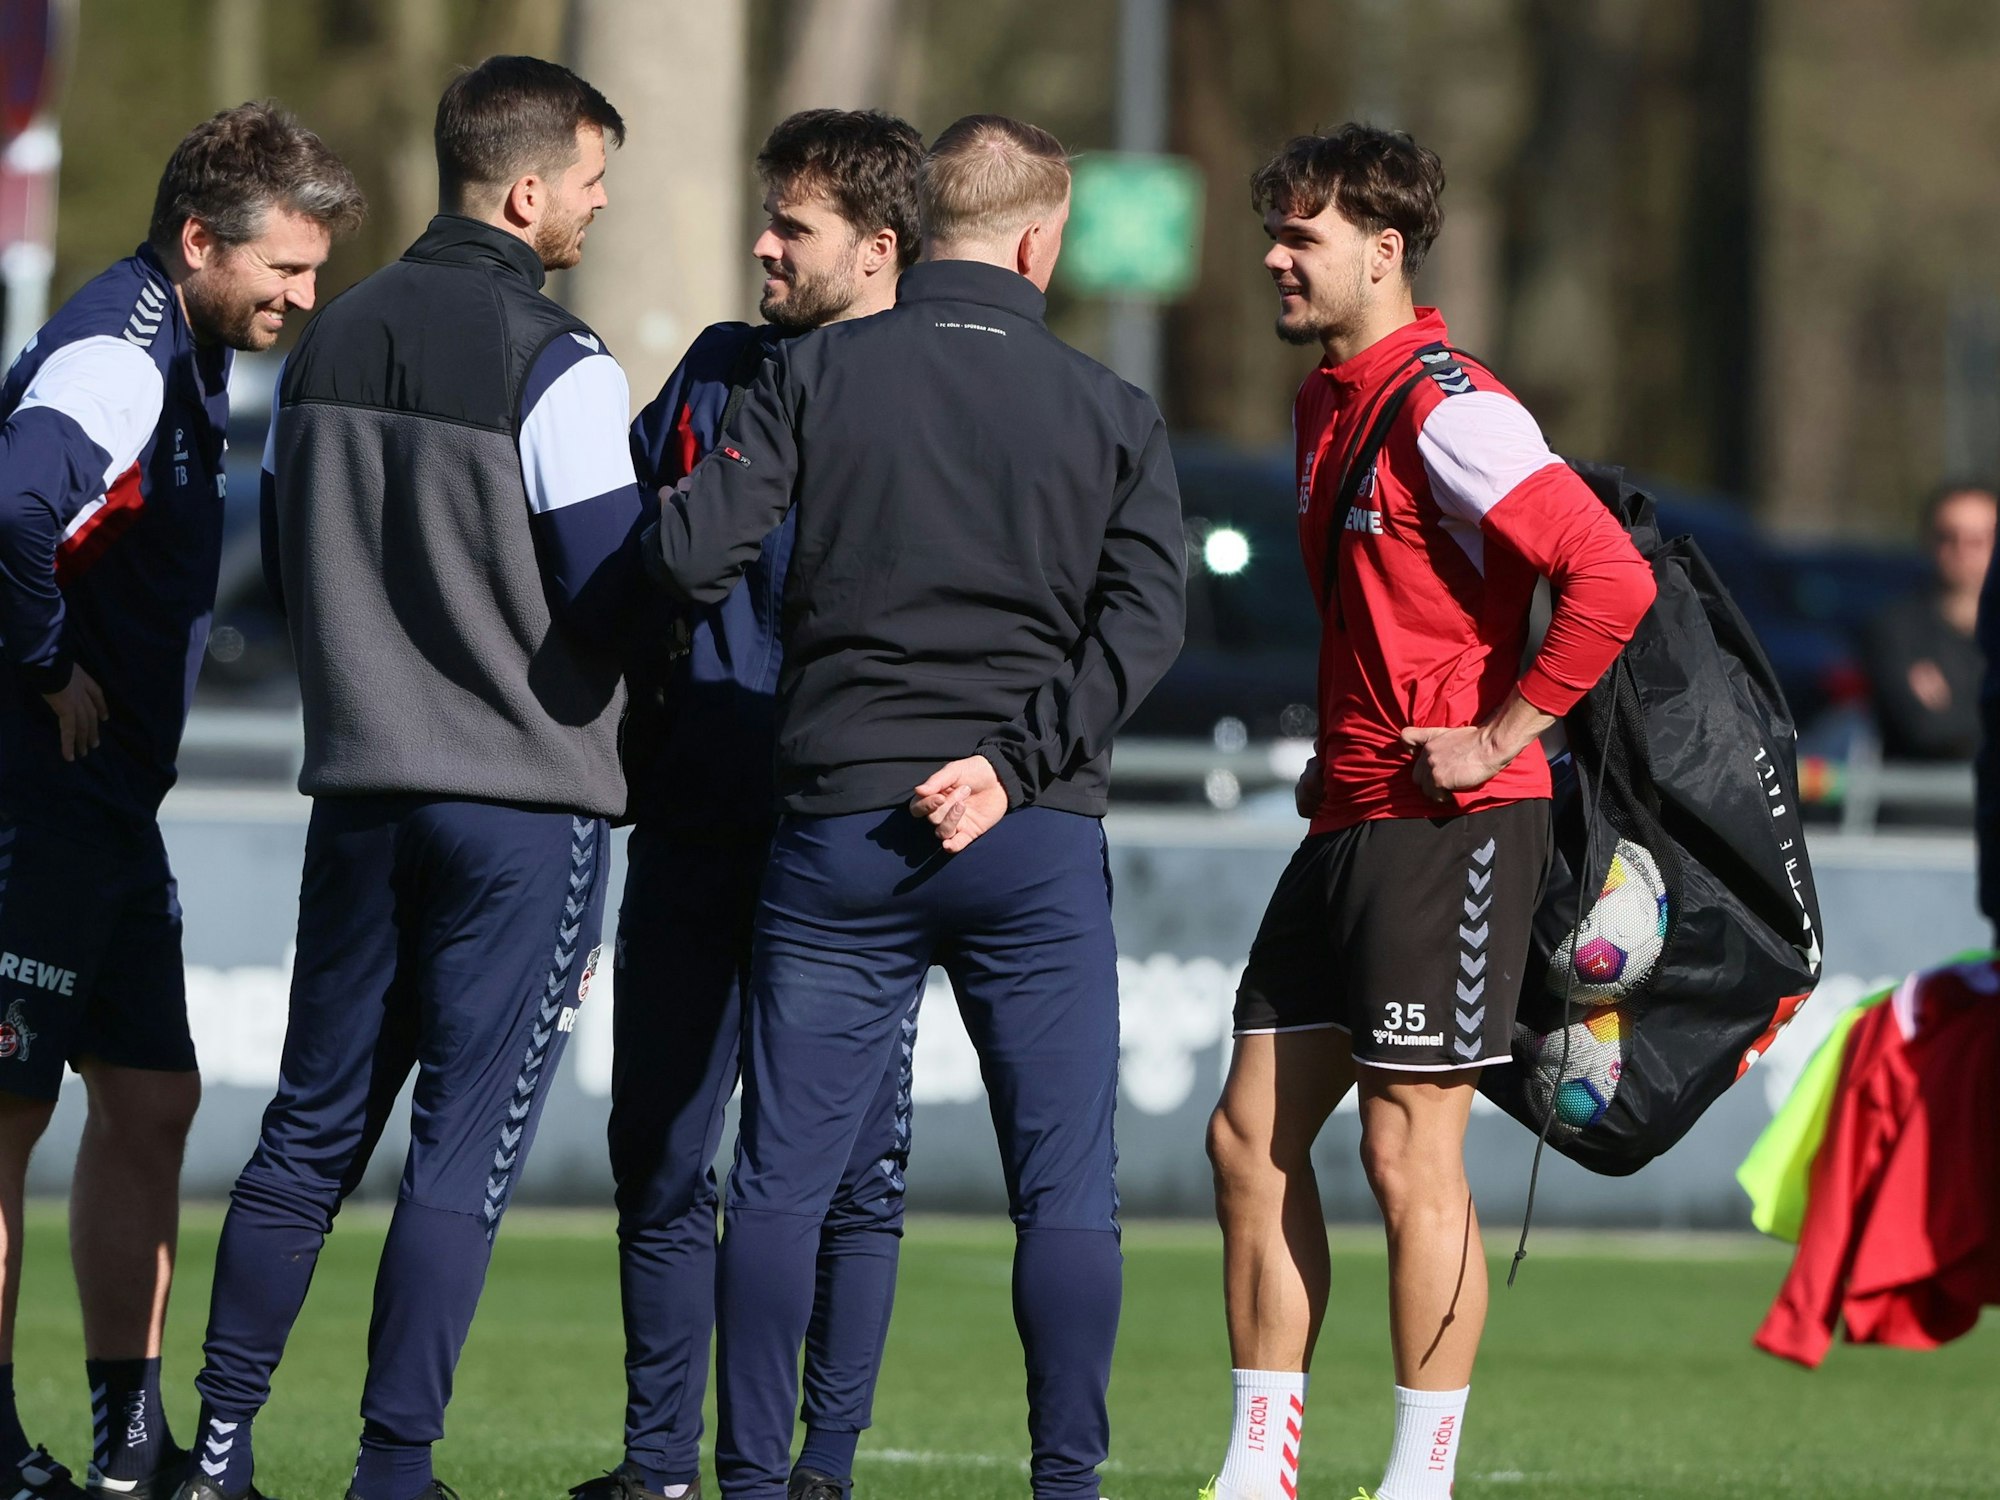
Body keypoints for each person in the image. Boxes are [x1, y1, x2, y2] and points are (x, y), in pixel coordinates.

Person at [649, 115, 1186, 1500]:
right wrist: (1015, 761)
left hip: (841, 828)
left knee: (779, 1184)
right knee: (1062, 1194)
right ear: (1039, 241)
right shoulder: (1112, 410)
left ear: (923, 228)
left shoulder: (813, 375)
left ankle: (751, 1480)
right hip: (1031, 834)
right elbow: (1145, 628)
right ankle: (1065, 1482)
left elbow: (690, 556)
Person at [175, 57, 647, 1500]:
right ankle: (392, 1469)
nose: (598, 206)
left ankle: (217, 1451)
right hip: (523, 809)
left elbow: (291, 566)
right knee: (462, 1150)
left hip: (362, 797)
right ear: (526, 189)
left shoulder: (326, 339)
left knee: (309, 1129)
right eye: (590, 181)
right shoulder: (559, 359)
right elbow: (620, 590)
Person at [1201, 125, 1654, 1500]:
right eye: (1272, 235)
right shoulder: (1325, 401)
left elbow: (1609, 577)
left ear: (1383, 252)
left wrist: (1503, 733)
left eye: (1303, 238)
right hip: (1350, 814)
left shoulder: (1453, 408)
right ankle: (1260, 1469)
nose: (1275, 260)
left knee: (1408, 1152)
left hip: (1454, 825)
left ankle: (1419, 1480)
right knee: (1248, 1139)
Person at [0, 104, 361, 1500]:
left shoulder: (191, 349)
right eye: (286, 268)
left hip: (107, 809)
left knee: (152, 1099)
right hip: (34, 797)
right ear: (201, 240)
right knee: (7, 1115)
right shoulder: (116, 352)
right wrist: (47, 667)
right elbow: (15, 508)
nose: (304, 297)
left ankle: (128, 1442)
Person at [578, 107, 925, 1500]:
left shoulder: (927, 391)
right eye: (766, 218)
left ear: (879, 248)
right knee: (660, 1148)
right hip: (697, 817)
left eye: (795, 226)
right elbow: (628, 555)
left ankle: (818, 1469)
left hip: (855, 840)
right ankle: (661, 1464)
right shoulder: (719, 368)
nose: (764, 246)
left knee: (851, 1172)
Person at [1862, 481, 1996, 762]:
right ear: (1929, 540)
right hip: (1922, 787)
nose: (1963, 551)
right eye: (1949, 537)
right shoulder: (1896, 629)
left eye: (1979, 539)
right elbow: (1929, 730)